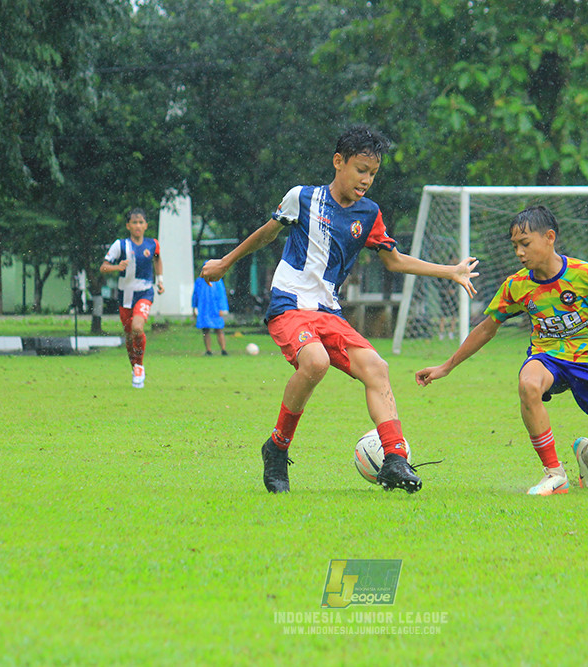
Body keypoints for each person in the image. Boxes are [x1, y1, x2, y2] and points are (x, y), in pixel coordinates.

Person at [200, 124, 479, 494]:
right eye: (361, 170)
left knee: (377, 368)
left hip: (328, 311)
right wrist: (226, 262)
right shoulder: (302, 197)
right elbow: (268, 232)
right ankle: (278, 448)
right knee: (315, 362)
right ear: (338, 162)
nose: (366, 180)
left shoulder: (369, 213)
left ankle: (395, 459)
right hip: (289, 304)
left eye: (373, 174)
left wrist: (450, 271)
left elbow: (393, 262)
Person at [415, 206, 588, 495]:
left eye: (525, 244)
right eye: (515, 246)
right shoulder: (517, 285)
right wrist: (446, 366)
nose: (519, 252)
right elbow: (486, 328)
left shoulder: (584, 275)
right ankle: (554, 473)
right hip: (547, 358)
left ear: (549, 237)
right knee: (528, 382)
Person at [100, 208, 164, 388]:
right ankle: (134, 367)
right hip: (125, 295)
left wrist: (160, 280)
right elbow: (103, 267)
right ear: (128, 226)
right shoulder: (120, 245)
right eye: (134, 223)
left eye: (141, 222)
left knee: (137, 327)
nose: (138, 226)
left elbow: (157, 259)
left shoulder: (152, 244)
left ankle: (140, 366)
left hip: (144, 292)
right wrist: (117, 267)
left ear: (146, 225)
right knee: (129, 336)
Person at [193, 275, 229, 356]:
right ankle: (208, 350)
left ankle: (223, 350)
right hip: (204, 308)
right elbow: (195, 295)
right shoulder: (199, 281)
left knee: (219, 329)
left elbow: (221, 295)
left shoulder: (217, 280)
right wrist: (194, 308)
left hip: (215, 308)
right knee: (205, 330)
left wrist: (222, 308)